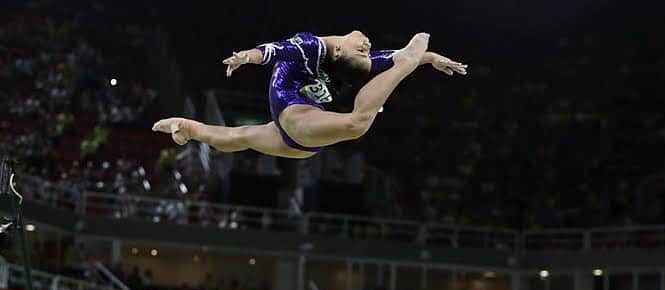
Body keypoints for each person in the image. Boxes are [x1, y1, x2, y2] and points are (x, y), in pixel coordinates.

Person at [153, 32, 466, 159]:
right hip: (293, 115)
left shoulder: (353, 59)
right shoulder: (310, 46)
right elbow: (272, 51)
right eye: (363, 49)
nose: (367, 46)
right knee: (357, 123)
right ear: (339, 49)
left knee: (239, 137)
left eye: (366, 51)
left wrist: (432, 58)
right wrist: (245, 57)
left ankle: (187, 127)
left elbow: (393, 54)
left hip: (300, 136)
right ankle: (404, 70)